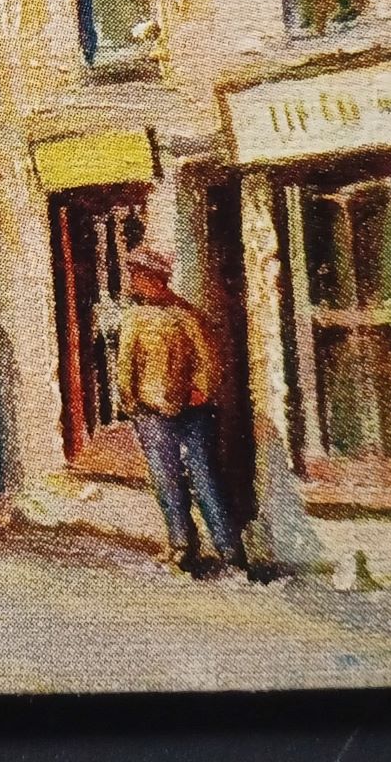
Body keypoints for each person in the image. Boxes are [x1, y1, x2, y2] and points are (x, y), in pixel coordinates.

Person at [115, 247, 249, 577]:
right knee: (166, 479)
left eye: (140, 276)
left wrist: (200, 392)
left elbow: (210, 361)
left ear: (157, 279)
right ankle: (181, 544)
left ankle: (229, 550)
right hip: (151, 412)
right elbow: (125, 366)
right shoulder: (134, 318)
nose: (135, 282)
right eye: (134, 276)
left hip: (192, 412)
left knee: (204, 478)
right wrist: (131, 402)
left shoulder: (186, 315)